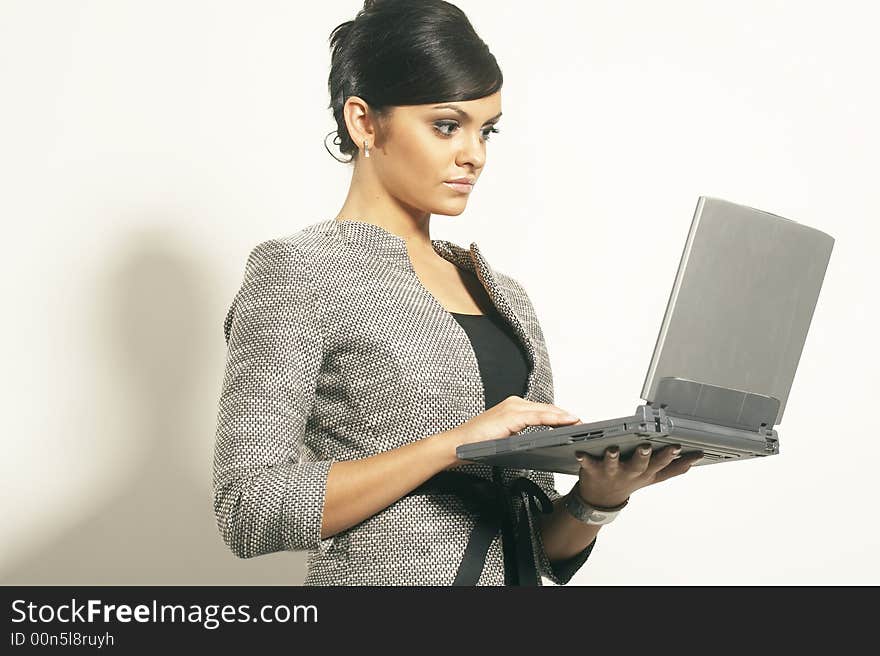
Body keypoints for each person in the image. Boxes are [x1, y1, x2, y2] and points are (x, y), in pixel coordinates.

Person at [211, 0, 703, 586]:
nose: (474, 154)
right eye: (447, 125)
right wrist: (456, 445)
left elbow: (539, 544)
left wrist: (599, 497)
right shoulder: (297, 272)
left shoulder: (506, 298)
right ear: (364, 122)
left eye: (486, 130)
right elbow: (248, 509)